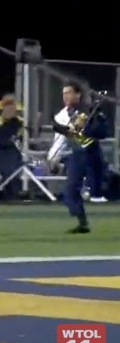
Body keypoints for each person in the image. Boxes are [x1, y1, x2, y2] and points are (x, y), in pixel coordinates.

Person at [50, 82, 108, 233]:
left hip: (92, 152)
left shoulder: (89, 109)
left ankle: (94, 191)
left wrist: (92, 125)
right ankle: (82, 222)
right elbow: (66, 135)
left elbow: (102, 132)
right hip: (77, 153)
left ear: (78, 94)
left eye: (69, 93)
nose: (66, 96)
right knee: (69, 189)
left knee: (98, 190)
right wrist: (53, 155)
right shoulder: (62, 115)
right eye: (64, 93)